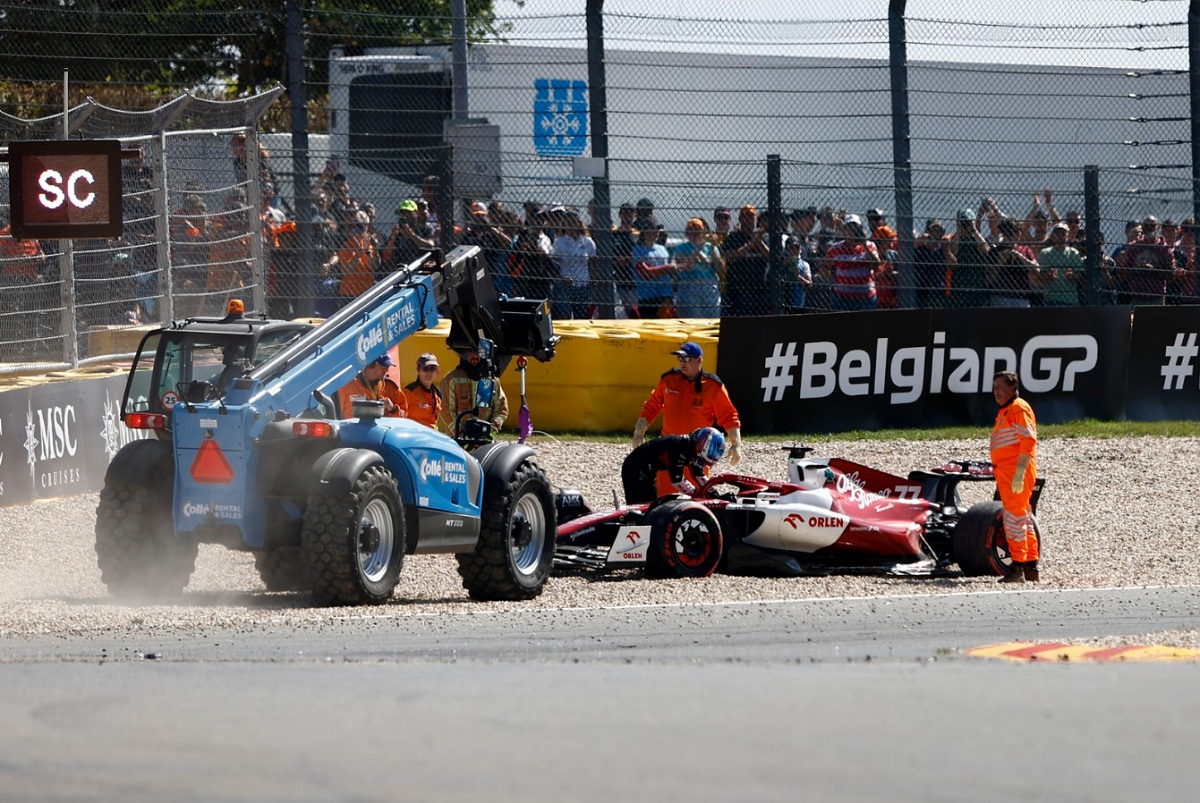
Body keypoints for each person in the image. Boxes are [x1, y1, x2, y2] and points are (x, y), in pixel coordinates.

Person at [631, 341, 742, 496]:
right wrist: (639, 432)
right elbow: (651, 406)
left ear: (699, 360)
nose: (683, 363)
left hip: (696, 455)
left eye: (687, 359)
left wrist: (736, 444)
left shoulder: (712, 386)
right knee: (664, 497)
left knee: (697, 498)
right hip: (668, 451)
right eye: (681, 359)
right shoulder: (668, 380)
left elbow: (729, 416)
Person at [990, 371, 1040, 584]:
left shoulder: (1018, 408)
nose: (997, 392)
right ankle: (1031, 566)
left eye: (1001, 387)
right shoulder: (1006, 411)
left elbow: (1028, 441)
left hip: (1016, 473)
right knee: (1024, 518)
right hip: (1008, 472)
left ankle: (1017, 567)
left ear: (1013, 388)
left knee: (1014, 520)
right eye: (994, 388)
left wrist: (1019, 474)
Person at [621, 427, 727, 505]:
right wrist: (697, 493)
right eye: (703, 460)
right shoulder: (679, 447)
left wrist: (716, 495)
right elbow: (677, 481)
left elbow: (700, 476)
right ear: (701, 446)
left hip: (648, 471)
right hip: (634, 468)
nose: (702, 463)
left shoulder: (693, 450)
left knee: (651, 507)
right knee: (639, 508)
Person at [439, 350, 509, 438]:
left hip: (484, 442)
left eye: (478, 352)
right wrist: (460, 433)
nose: (474, 356)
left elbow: (501, 410)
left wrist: (491, 431)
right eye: (469, 352)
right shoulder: (451, 379)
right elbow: (446, 411)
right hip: (458, 442)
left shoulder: (492, 380)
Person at [337, 353, 407, 419]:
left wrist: (393, 409)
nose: (386, 370)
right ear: (371, 364)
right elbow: (335, 415)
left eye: (388, 367)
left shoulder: (390, 388)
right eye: (383, 366)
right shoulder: (347, 386)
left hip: (380, 430)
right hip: (352, 430)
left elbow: (404, 416)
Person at [402, 352, 442, 429]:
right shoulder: (409, 392)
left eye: (432, 369)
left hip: (431, 436)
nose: (429, 372)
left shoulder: (438, 395)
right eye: (425, 369)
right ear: (418, 370)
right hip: (413, 436)